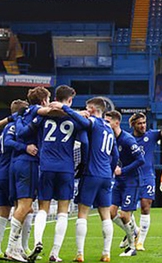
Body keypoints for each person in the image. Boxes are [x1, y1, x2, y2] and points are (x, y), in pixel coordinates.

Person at [17, 85, 82, 262]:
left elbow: (25, 133)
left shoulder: (43, 116)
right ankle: (55, 253)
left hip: (46, 166)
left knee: (43, 209)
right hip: (66, 168)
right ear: (69, 100)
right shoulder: (74, 118)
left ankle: (38, 241)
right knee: (63, 211)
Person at [51, 97, 119, 263]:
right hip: (105, 176)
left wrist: (64, 108)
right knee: (105, 215)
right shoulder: (109, 129)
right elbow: (115, 155)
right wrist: (109, 172)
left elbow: (84, 140)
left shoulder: (94, 123)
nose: (85, 111)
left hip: (91, 173)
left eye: (87, 108)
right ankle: (106, 253)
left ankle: (80, 253)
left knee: (82, 213)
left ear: (94, 110)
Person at [127, 104, 162, 251]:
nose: (143, 126)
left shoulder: (151, 135)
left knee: (146, 206)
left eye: (144, 123)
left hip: (147, 177)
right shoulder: (127, 139)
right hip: (131, 177)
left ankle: (140, 242)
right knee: (125, 211)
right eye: (139, 123)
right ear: (133, 125)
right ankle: (133, 231)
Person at [5, 87, 50, 263]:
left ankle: (17, 248)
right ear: (43, 100)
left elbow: (7, 127)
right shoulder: (36, 114)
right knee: (25, 205)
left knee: (21, 207)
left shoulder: (21, 115)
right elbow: (23, 133)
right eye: (48, 98)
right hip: (28, 163)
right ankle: (10, 249)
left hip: (16, 163)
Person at [0, 100, 30, 261]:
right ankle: (19, 248)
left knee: (2, 213)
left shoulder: (6, 127)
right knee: (23, 209)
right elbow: (11, 143)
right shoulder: (14, 127)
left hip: (0, 171)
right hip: (10, 173)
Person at [105, 110, 145, 257]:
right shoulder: (109, 139)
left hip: (131, 181)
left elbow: (141, 160)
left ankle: (131, 247)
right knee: (110, 213)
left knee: (124, 215)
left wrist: (123, 170)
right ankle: (133, 231)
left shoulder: (127, 140)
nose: (105, 124)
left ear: (116, 123)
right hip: (119, 181)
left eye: (107, 121)